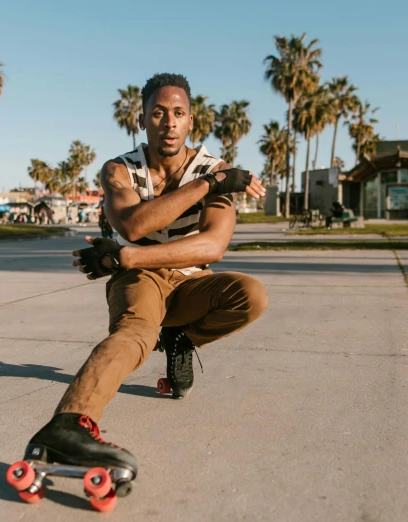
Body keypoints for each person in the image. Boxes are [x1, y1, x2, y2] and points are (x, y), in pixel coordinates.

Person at [22, 74, 268, 480]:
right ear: (142, 120)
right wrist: (208, 186)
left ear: (191, 121)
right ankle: (68, 425)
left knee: (251, 295)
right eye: (158, 113)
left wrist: (127, 257)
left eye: (178, 114)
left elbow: (212, 247)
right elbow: (135, 224)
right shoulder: (121, 169)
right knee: (135, 334)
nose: (169, 123)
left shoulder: (216, 168)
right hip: (139, 280)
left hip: (187, 279)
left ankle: (181, 340)